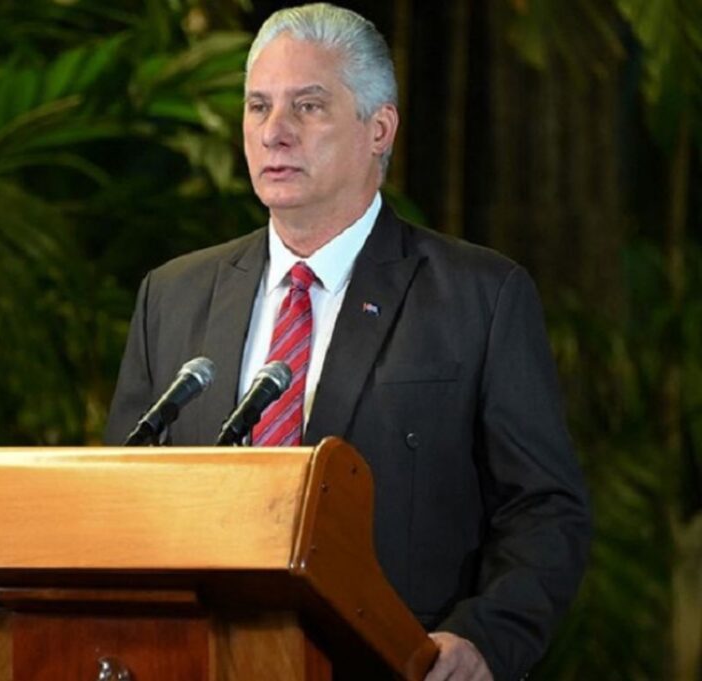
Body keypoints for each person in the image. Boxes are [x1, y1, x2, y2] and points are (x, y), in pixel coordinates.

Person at [103, 3, 590, 680]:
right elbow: (119, 502)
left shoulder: (480, 295)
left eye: (307, 107)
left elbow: (545, 509)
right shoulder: (173, 295)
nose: (274, 133)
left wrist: (480, 638)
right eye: (257, 106)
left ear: (379, 128)